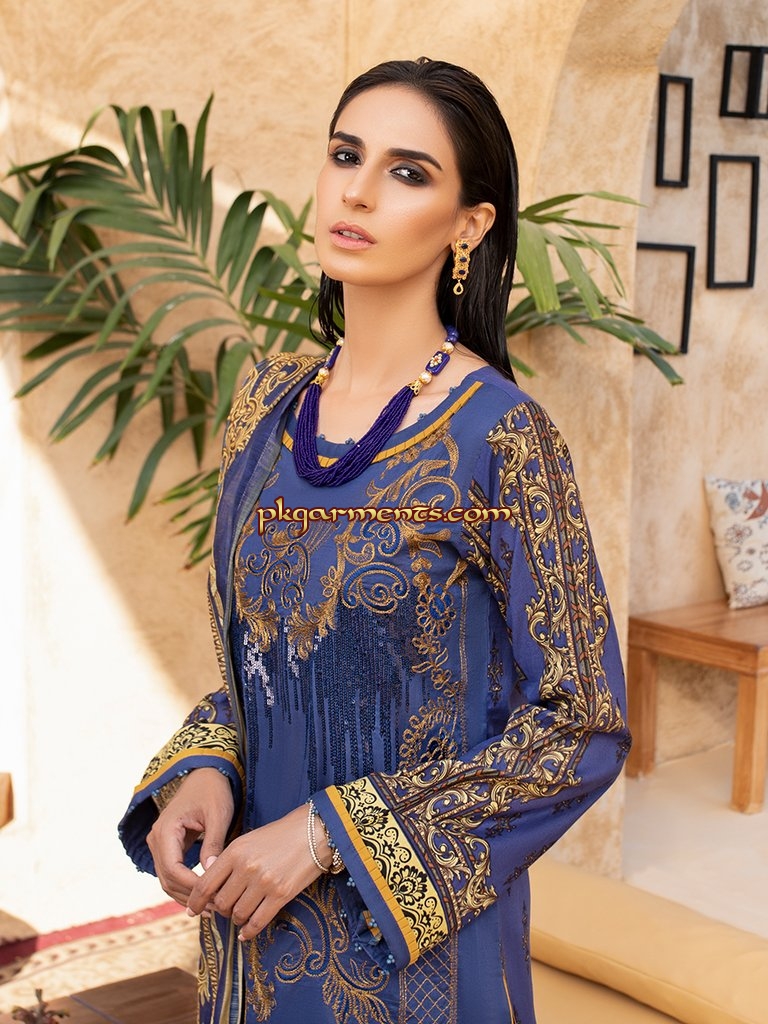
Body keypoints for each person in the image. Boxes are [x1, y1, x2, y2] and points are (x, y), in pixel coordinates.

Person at [119, 57, 630, 1024]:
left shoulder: (501, 438)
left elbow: (584, 725)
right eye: (346, 155)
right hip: (249, 932)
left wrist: (328, 836)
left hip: (410, 958)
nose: (357, 191)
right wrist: (206, 768)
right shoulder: (264, 408)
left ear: (469, 224)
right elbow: (263, 661)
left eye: (407, 172)